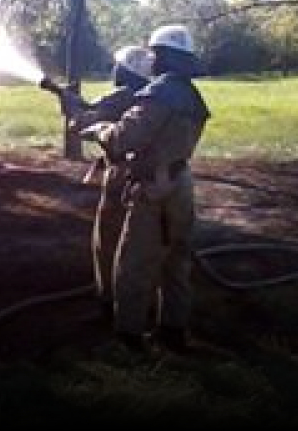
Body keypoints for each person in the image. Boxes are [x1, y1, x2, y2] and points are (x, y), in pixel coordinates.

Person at [79, 24, 210, 354]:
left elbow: (124, 138)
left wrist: (100, 130)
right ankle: (173, 331)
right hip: (181, 183)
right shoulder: (192, 96)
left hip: (153, 188)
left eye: (155, 53)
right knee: (176, 262)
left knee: (134, 262)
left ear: (164, 56)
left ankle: (129, 336)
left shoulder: (159, 94)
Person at [61, 45, 156, 323]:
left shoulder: (121, 96)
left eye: (118, 67)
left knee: (108, 239)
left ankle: (110, 300)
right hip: (151, 177)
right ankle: (148, 300)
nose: (114, 71)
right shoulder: (152, 97)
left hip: (121, 176)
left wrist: (70, 106)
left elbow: (82, 124)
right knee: (146, 240)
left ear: (126, 71)